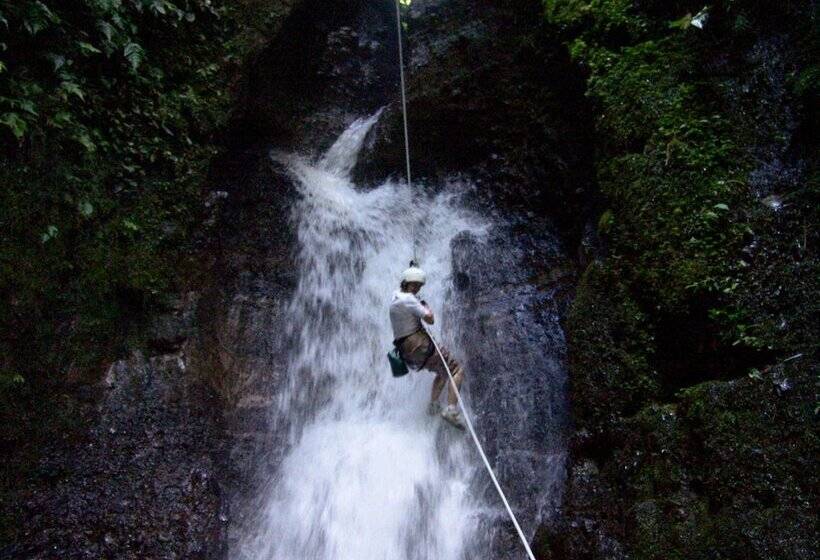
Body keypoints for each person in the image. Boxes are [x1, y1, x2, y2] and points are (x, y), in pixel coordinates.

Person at [389, 263, 466, 428]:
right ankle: (451, 410)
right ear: (407, 284)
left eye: (419, 286)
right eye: (414, 285)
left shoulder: (395, 299)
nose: (417, 289)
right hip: (419, 344)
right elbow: (430, 319)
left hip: (405, 351)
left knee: (442, 371)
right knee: (456, 370)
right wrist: (425, 305)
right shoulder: (409, 299)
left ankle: (433, 406)